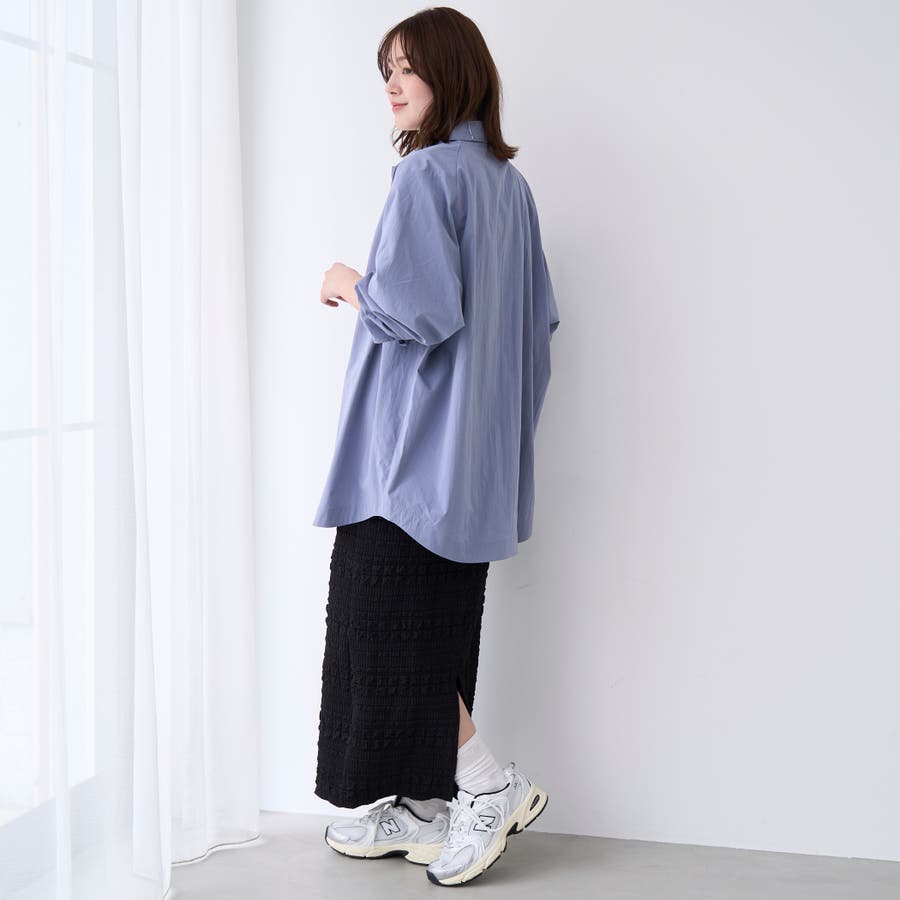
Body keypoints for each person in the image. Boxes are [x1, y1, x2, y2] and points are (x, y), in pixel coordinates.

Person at [312, 7, 560, 887]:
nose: (393, 83)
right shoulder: (509, 187)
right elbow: (539, 325)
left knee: (386, 634)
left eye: (409, 68)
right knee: (438, 632)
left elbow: (416, 311)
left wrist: (349, 283)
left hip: (406, 462)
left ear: (452, 74)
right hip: (476, 461)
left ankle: (487, 786)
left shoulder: (424, 178)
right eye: (386, 68)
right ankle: (424, 805)